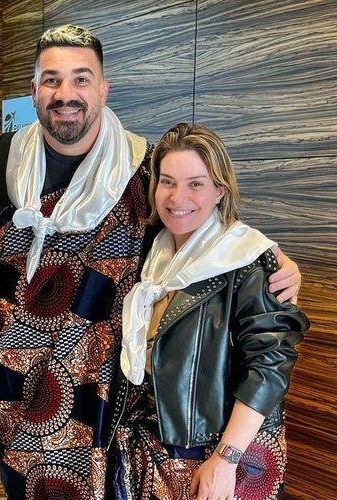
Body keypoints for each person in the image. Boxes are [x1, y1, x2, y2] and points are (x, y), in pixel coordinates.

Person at [0, 25, 301, 499]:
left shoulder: (142, 167)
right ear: (33, 91)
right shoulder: (3, 160)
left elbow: (217, 238)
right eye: (52, 80)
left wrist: (276, 263)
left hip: (111, 401)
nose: (67, 94)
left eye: (81, 79)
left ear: (103, 88)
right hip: (26, 387)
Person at [114, 122, 310, 500]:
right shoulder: (154, 254)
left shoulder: (250, 261)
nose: (177, 197)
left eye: (196, 184)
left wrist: (227, 459)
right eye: (167, 181)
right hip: (155, 448)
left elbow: (269, 369)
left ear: (220, 190)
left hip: (218, 454)